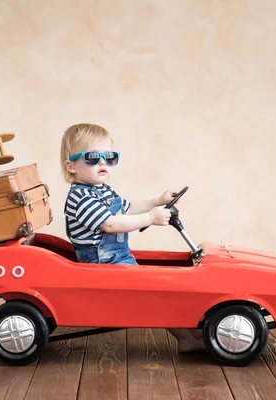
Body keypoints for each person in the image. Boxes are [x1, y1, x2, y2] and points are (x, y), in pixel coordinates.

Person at [60, 123, 205, 352]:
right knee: (151, 292)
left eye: (109, 157)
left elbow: (127, 208)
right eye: (92, 158)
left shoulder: (103, 190)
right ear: (71, 166)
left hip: (115, 258)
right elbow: (110, 224)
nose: (102, 163)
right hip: (100, 265)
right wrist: (150, 218)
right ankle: (185, 337)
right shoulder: (80, 197)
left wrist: (157, 201)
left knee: (159, 286)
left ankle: (190, 329)